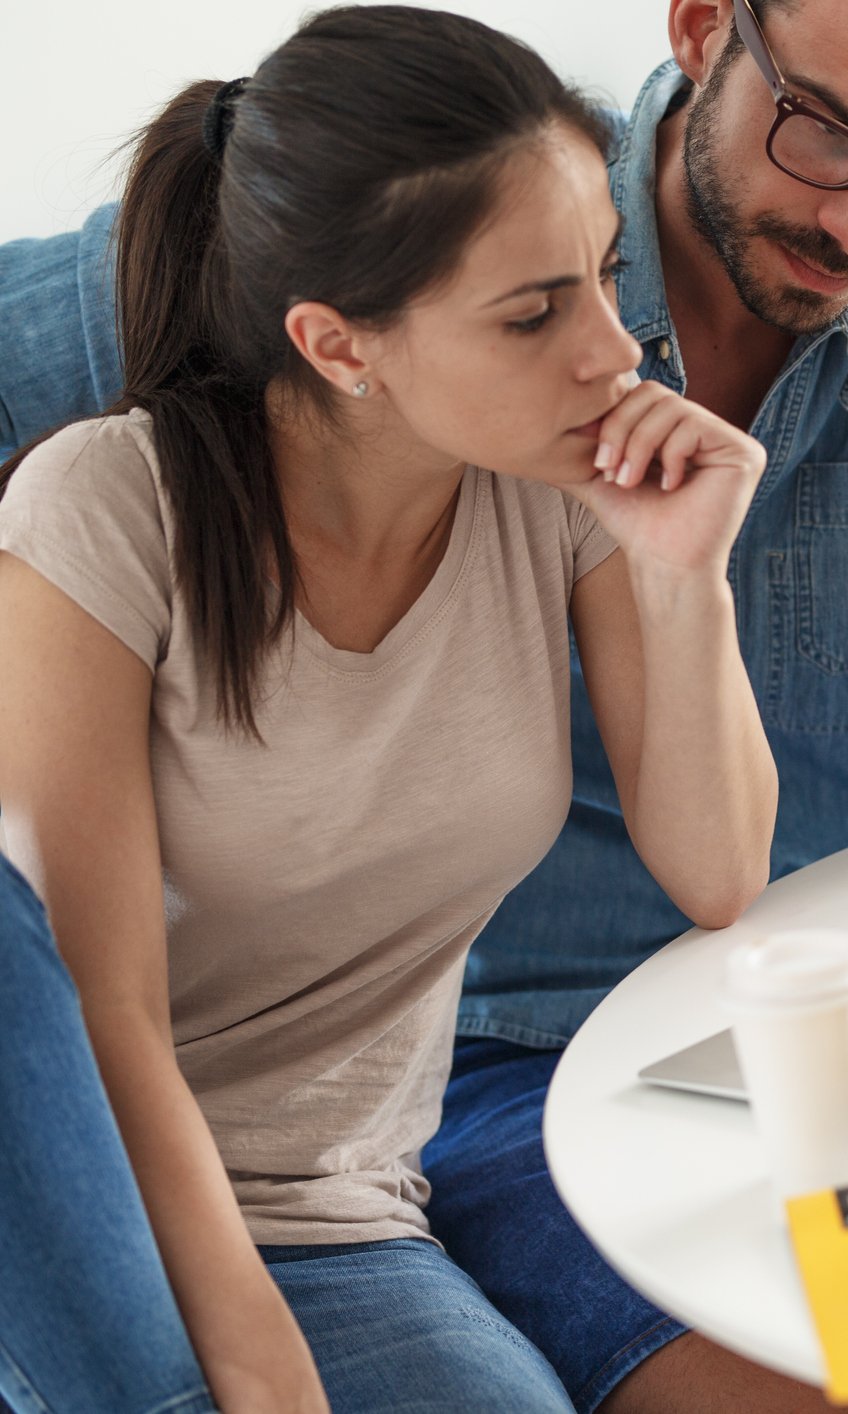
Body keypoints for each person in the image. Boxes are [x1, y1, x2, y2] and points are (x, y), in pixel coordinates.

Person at [0, 0, 848, 1408]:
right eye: (827, 134)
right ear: (707, 30)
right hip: (334, 1117)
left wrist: (687, 575)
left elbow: (749, 863)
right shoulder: (150, 462)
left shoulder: (575, 467)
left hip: (691, 1053)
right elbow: (96, 1008)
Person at [0, 6, 779, 1412]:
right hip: (68, 1213)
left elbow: (718, 871)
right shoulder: (105, 505)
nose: (616, 353)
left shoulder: (557, 491)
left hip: (333, 1211)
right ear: (338, 344)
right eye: (535, 311)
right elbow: (100, 1011)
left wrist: (690, 580)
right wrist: (259, 1375)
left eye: (606, 277)